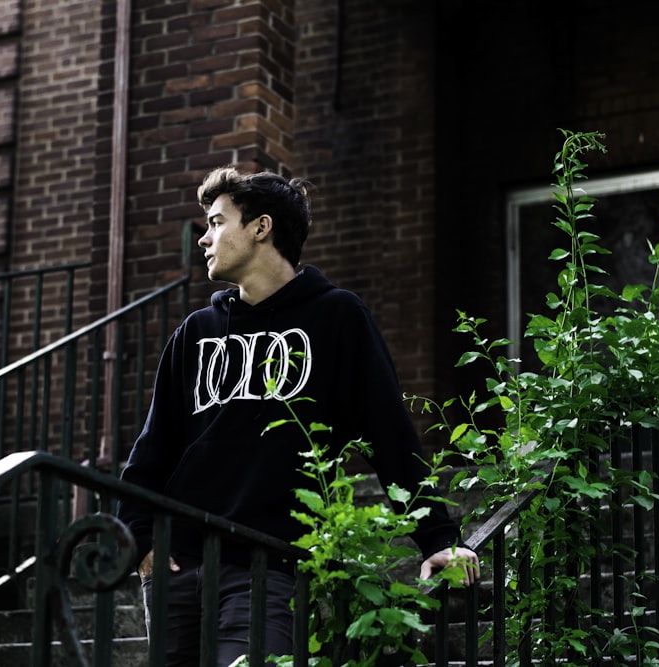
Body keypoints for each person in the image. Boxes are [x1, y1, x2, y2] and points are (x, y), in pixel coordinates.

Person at [116, 166, 479, 666]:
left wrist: (438, 538)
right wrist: (138, 540)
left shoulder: (336, 317)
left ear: (261, 227)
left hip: (268, 566)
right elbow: (153, 449)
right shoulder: (196, 332)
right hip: (178, 569)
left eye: (217, 223)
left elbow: (389, 434)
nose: (204, 239)